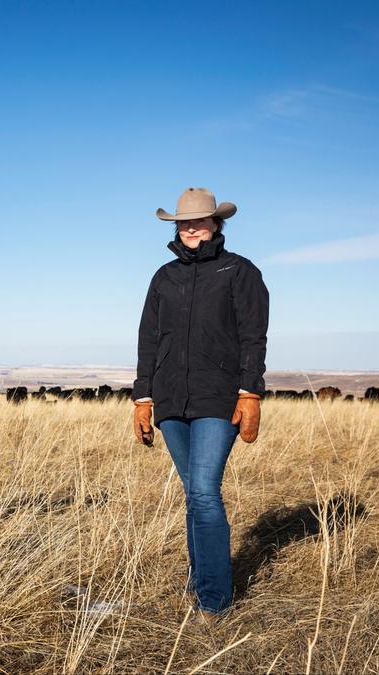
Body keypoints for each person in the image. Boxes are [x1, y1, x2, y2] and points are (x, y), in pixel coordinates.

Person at [132, 187, 268, 618]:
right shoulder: (164, 277)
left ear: (216, 224)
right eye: (183, 222)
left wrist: (250, 392)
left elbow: (253, 336)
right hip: (172, 401)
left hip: (219, 399)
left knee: (206, 493)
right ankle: (201, 579)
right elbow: (148, 340)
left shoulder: (239, 271)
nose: (190, 228)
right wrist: (142, 396)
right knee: (193, 494)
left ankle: (214, 601)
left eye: (199, 221)